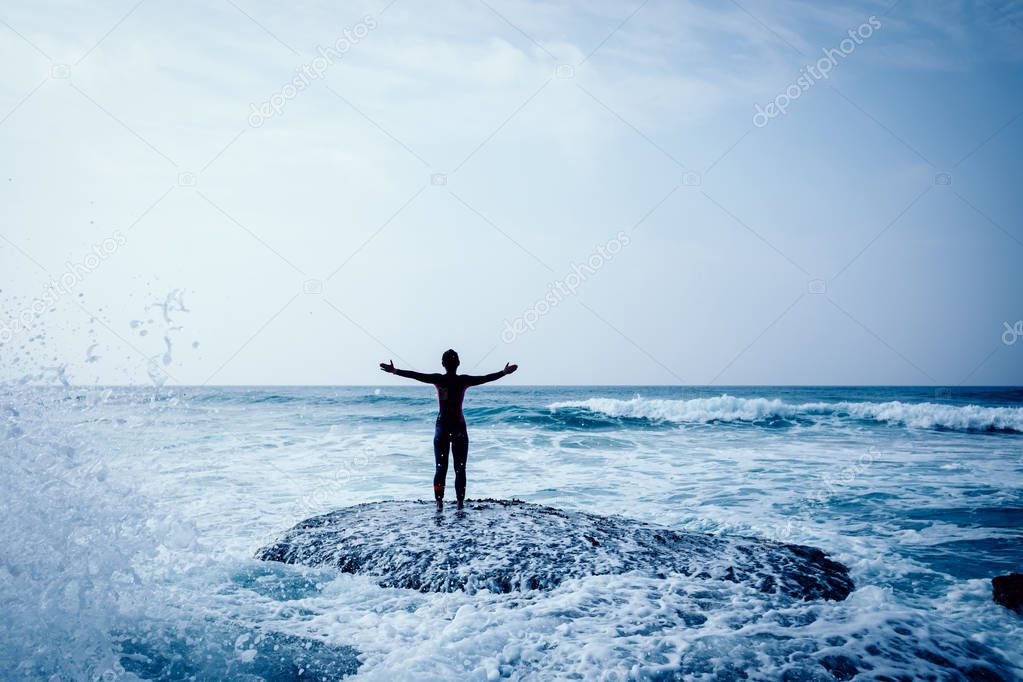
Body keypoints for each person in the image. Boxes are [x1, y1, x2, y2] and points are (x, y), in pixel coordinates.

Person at [380, 350, 517, 511]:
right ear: (458, 364)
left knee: (440, 467)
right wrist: (503, 372)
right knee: (460, 468)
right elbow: (485, 378)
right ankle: (459, 503)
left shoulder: (438, 379)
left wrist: (395, 371)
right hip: (459, 428)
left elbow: (416, 375)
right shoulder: (463, 380)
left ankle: (439, 503)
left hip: (442, 428)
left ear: (443, 364)